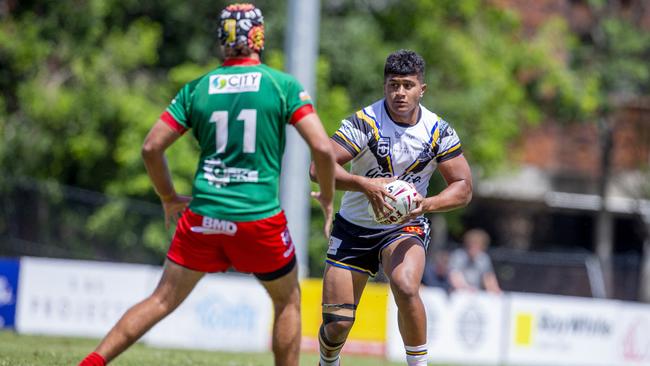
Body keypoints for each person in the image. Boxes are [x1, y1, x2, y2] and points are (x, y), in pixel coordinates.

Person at [79, 4, 335, 366]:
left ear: (222, 40)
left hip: (203, 216)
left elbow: (152, 147)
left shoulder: (198, 88)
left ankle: (90, 363)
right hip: (257, 218)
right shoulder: (282, 85)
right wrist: (326, 195)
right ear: (258, 37)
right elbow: (322, 148)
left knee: (162, 300)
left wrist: (168, 196)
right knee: (287, 300)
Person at [310, 49, 473, 366]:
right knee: (337, 326)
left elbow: (463, 189)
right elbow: (319, 169)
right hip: (353, 228)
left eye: (408, 85)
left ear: (421, 89)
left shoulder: (438, 131)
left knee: (405, 284)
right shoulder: (365, 123)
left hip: (403, 226)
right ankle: (328, 361)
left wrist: (423, 205)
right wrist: (366, 185)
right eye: (393, 85)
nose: (400, 93)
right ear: (384, 86)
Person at [448, 228, 501, 293]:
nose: (473, 248)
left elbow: (488, 278)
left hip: (475, 293)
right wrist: (467, 288)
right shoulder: (458, 256)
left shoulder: (483, 259)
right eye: (471, 245)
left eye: (477, 245)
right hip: (458, 292)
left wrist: (496, 291)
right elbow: (455, 277)